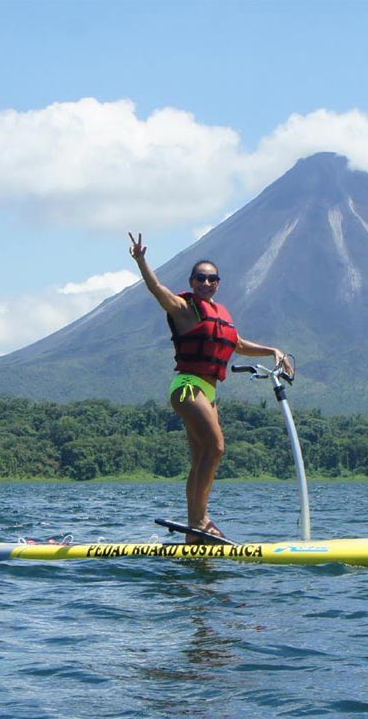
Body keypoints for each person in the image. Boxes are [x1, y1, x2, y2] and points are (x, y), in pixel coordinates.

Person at [129, 232, 291, 543]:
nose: (206, 283)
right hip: (188, 387)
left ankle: (194, 530)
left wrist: (274, 351)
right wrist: (141, 260)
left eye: (211, 279)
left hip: (209, 392)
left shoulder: (222, 315)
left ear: (218, 283)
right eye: (200, 278)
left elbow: (238, 343)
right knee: (216, 448)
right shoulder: (184, 309)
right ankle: (201, 520)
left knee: (202, 455)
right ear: (192, 282)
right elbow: (156, 289)